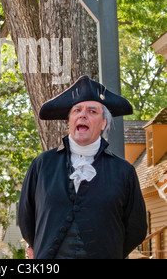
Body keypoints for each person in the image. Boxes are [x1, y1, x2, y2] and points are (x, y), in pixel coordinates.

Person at [18, 75, 147, 259]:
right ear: (69, 120)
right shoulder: (42, 165)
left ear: (103, 123)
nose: (83, 114)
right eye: (76, 110)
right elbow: (26, 218)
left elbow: (136, 228)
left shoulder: (124, 172)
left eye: (92, 111)